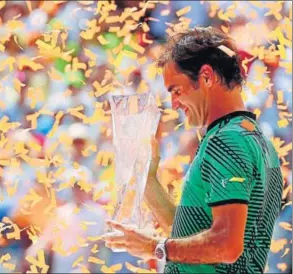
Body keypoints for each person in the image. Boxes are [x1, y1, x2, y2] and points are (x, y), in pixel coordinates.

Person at [104, 26, 284, 273]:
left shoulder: (227, 141)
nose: (174, 103)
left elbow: (226, 245)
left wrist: (157, 248)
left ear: (207, 77)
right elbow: (195, 234)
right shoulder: (254, 140)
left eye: (176, 90)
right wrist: (147, 179)